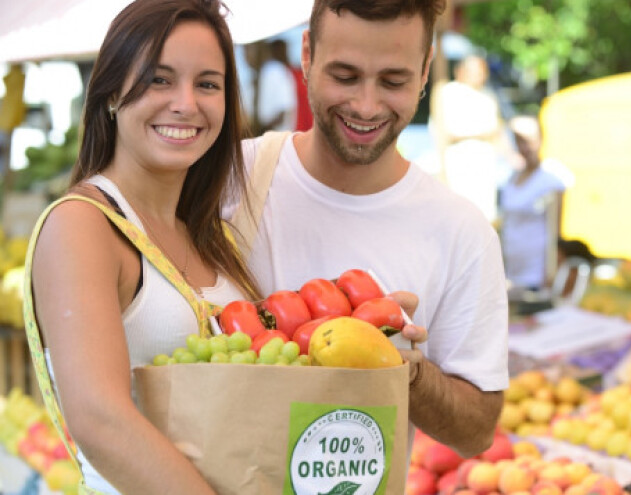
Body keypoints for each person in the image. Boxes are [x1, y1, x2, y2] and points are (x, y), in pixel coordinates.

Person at [225, 0, 508, 457]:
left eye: (393, 81)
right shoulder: (227, 182)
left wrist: (408, 372)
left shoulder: (461, 232)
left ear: (425, 70)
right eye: (345, 76)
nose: (366, 105)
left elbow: (476, 432)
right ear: (307, 56)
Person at [24, 1, 262, 493]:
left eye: (208, 84)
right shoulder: (82, 225)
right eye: (159, 79)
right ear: (111, 92)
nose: (186, 103)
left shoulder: (209, 236)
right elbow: (99, 419)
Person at [431, 53, 508, 224]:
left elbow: (498, 131)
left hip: (485, 169)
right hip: (459, 167)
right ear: (461, 71)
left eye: (482, 71)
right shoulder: (449, 92)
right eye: (475, 71)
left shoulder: (488, 96)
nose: (480, 75)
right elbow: (446, 132)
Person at [499, 115, 572, 291]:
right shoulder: (511, 179)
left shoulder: (551, 180)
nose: (525, 147)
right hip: (512, 271)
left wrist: (552, 273)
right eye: (520, 141)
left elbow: (556, 232)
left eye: (529, 141)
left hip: (537, 273)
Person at [244, 39, 296, 133]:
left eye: (249, 49)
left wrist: (260, 130)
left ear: (260, 49)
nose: (245, 55)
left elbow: (283, 113)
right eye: (244, 50)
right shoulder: (252, 78)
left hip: (275, 140)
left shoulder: (276, 71)